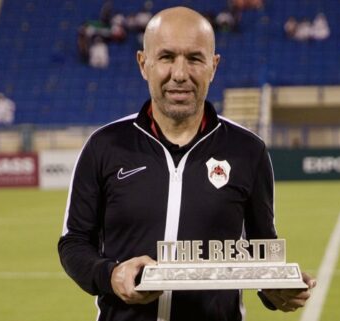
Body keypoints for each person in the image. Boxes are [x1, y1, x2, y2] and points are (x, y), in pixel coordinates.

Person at [58, 6, 316, 321]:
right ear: (143, 63)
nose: (180, 74)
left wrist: (275, 289)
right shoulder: (105, 146)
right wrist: (110, 275)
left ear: (213, 66)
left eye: (194, 58)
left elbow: (261, 249)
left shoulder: (247, 150)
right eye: (166, 57)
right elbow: (74, 243)